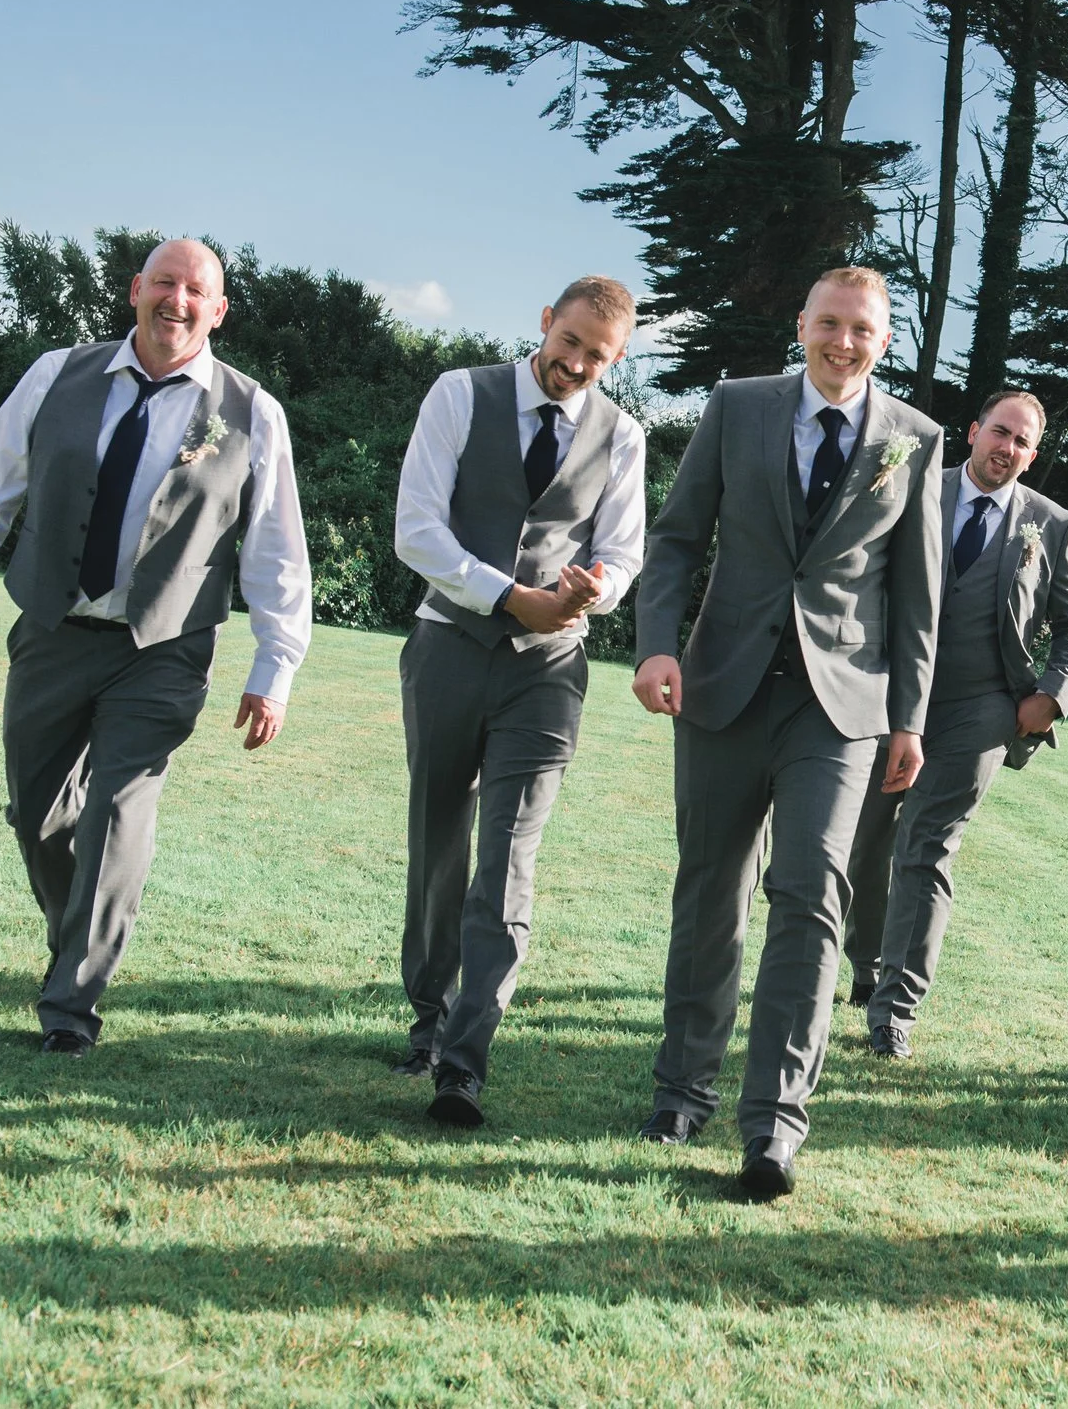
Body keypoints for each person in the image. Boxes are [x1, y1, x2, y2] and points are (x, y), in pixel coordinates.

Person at [0, 238, 311, 1052]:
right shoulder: (57, 373)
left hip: (164, 647)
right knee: (37, 815)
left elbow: (275, 549)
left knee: (119, 816)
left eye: (197, 290)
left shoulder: (252, 410)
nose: (178, 301)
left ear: (218, 310)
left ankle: (71, 1010)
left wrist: (275, 667)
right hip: (53, 629)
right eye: (165, 282)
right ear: (135, 291)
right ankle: (79, 934)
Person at [629, 267, 944, 1199]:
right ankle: (681, 1089)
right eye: (830, 324)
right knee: (710, 891)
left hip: (840, 706)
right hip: (724, 685)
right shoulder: (738, 406)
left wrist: (911, 718)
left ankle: (773, 1125)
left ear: (885, 341)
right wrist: (655, 647)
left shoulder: (915, 441)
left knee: (810, 893)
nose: (845, 344)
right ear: (800, 323)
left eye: (864, 331)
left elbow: (918, 594)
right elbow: (679, 536)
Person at [386, 276, 648, 1128]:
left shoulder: (624, 437)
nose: (575, 364)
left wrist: (589, 590)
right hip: (448, 646)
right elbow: (417, 527)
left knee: (509, 858)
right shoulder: (459, 394)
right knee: (439, 839)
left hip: (549, 667)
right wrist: (507, 595)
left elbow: (623, 555)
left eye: (597, 357)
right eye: (568, 342)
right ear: (546, 321)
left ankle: (463, 1059)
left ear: (618, 359)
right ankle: (428, 1015)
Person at [840, 389, 1068, 1055]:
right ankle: (866, 962)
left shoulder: (1051, 523)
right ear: (975, 430)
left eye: (1021, 442)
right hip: (885, 690)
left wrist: (1053, 693)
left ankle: (895, 1010)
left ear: (1032, 454)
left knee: (927, 844)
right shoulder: (914, 483)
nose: (1006, 448)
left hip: (981, 701)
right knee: (865, 841)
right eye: (999, 432)